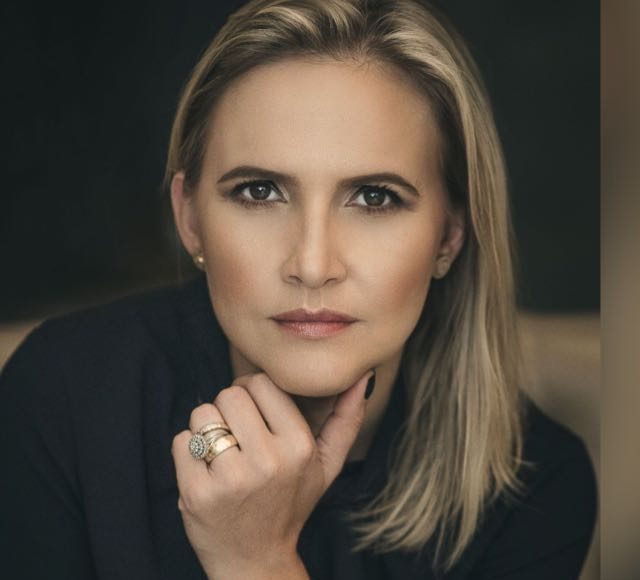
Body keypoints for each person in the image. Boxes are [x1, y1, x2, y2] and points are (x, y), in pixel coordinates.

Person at [0, 0, 597, 578]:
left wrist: (255, 562)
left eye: (374, 197)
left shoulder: (535, 489)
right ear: (190, 218)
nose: (312, 265)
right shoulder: (61, 398)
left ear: (448, 236)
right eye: (259, 192)